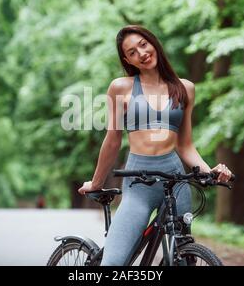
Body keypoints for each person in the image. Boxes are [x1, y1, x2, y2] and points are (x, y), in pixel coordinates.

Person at [78, 25, 232, 266]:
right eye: (131, 52)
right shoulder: (121, 87)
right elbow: (113, 141)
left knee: (182, 257)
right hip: (139, 183)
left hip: (176, 181)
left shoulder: (185, 88)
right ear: (127, 60)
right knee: (113, 263)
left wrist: (209, 170)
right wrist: (96, 183)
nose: (141, 53)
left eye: (143, 44)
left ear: (153, 43)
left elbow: (186, 146)